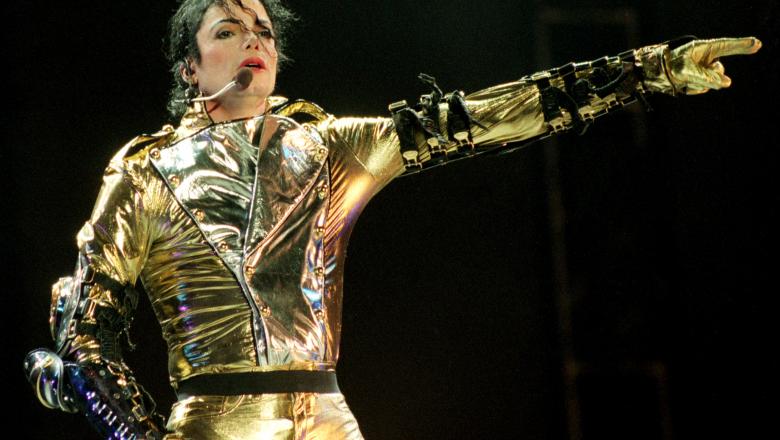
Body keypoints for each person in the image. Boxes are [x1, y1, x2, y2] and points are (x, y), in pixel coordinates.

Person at [23, 0, 761, 439]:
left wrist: (653, 68)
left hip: (326, 417)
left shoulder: (332, 146)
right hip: (215, 422)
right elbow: (84, 331)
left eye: (263, 30)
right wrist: (133, 431)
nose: (253, 39)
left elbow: (484, 117)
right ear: (190, 67)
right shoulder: (147, 172)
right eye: (227, 30)